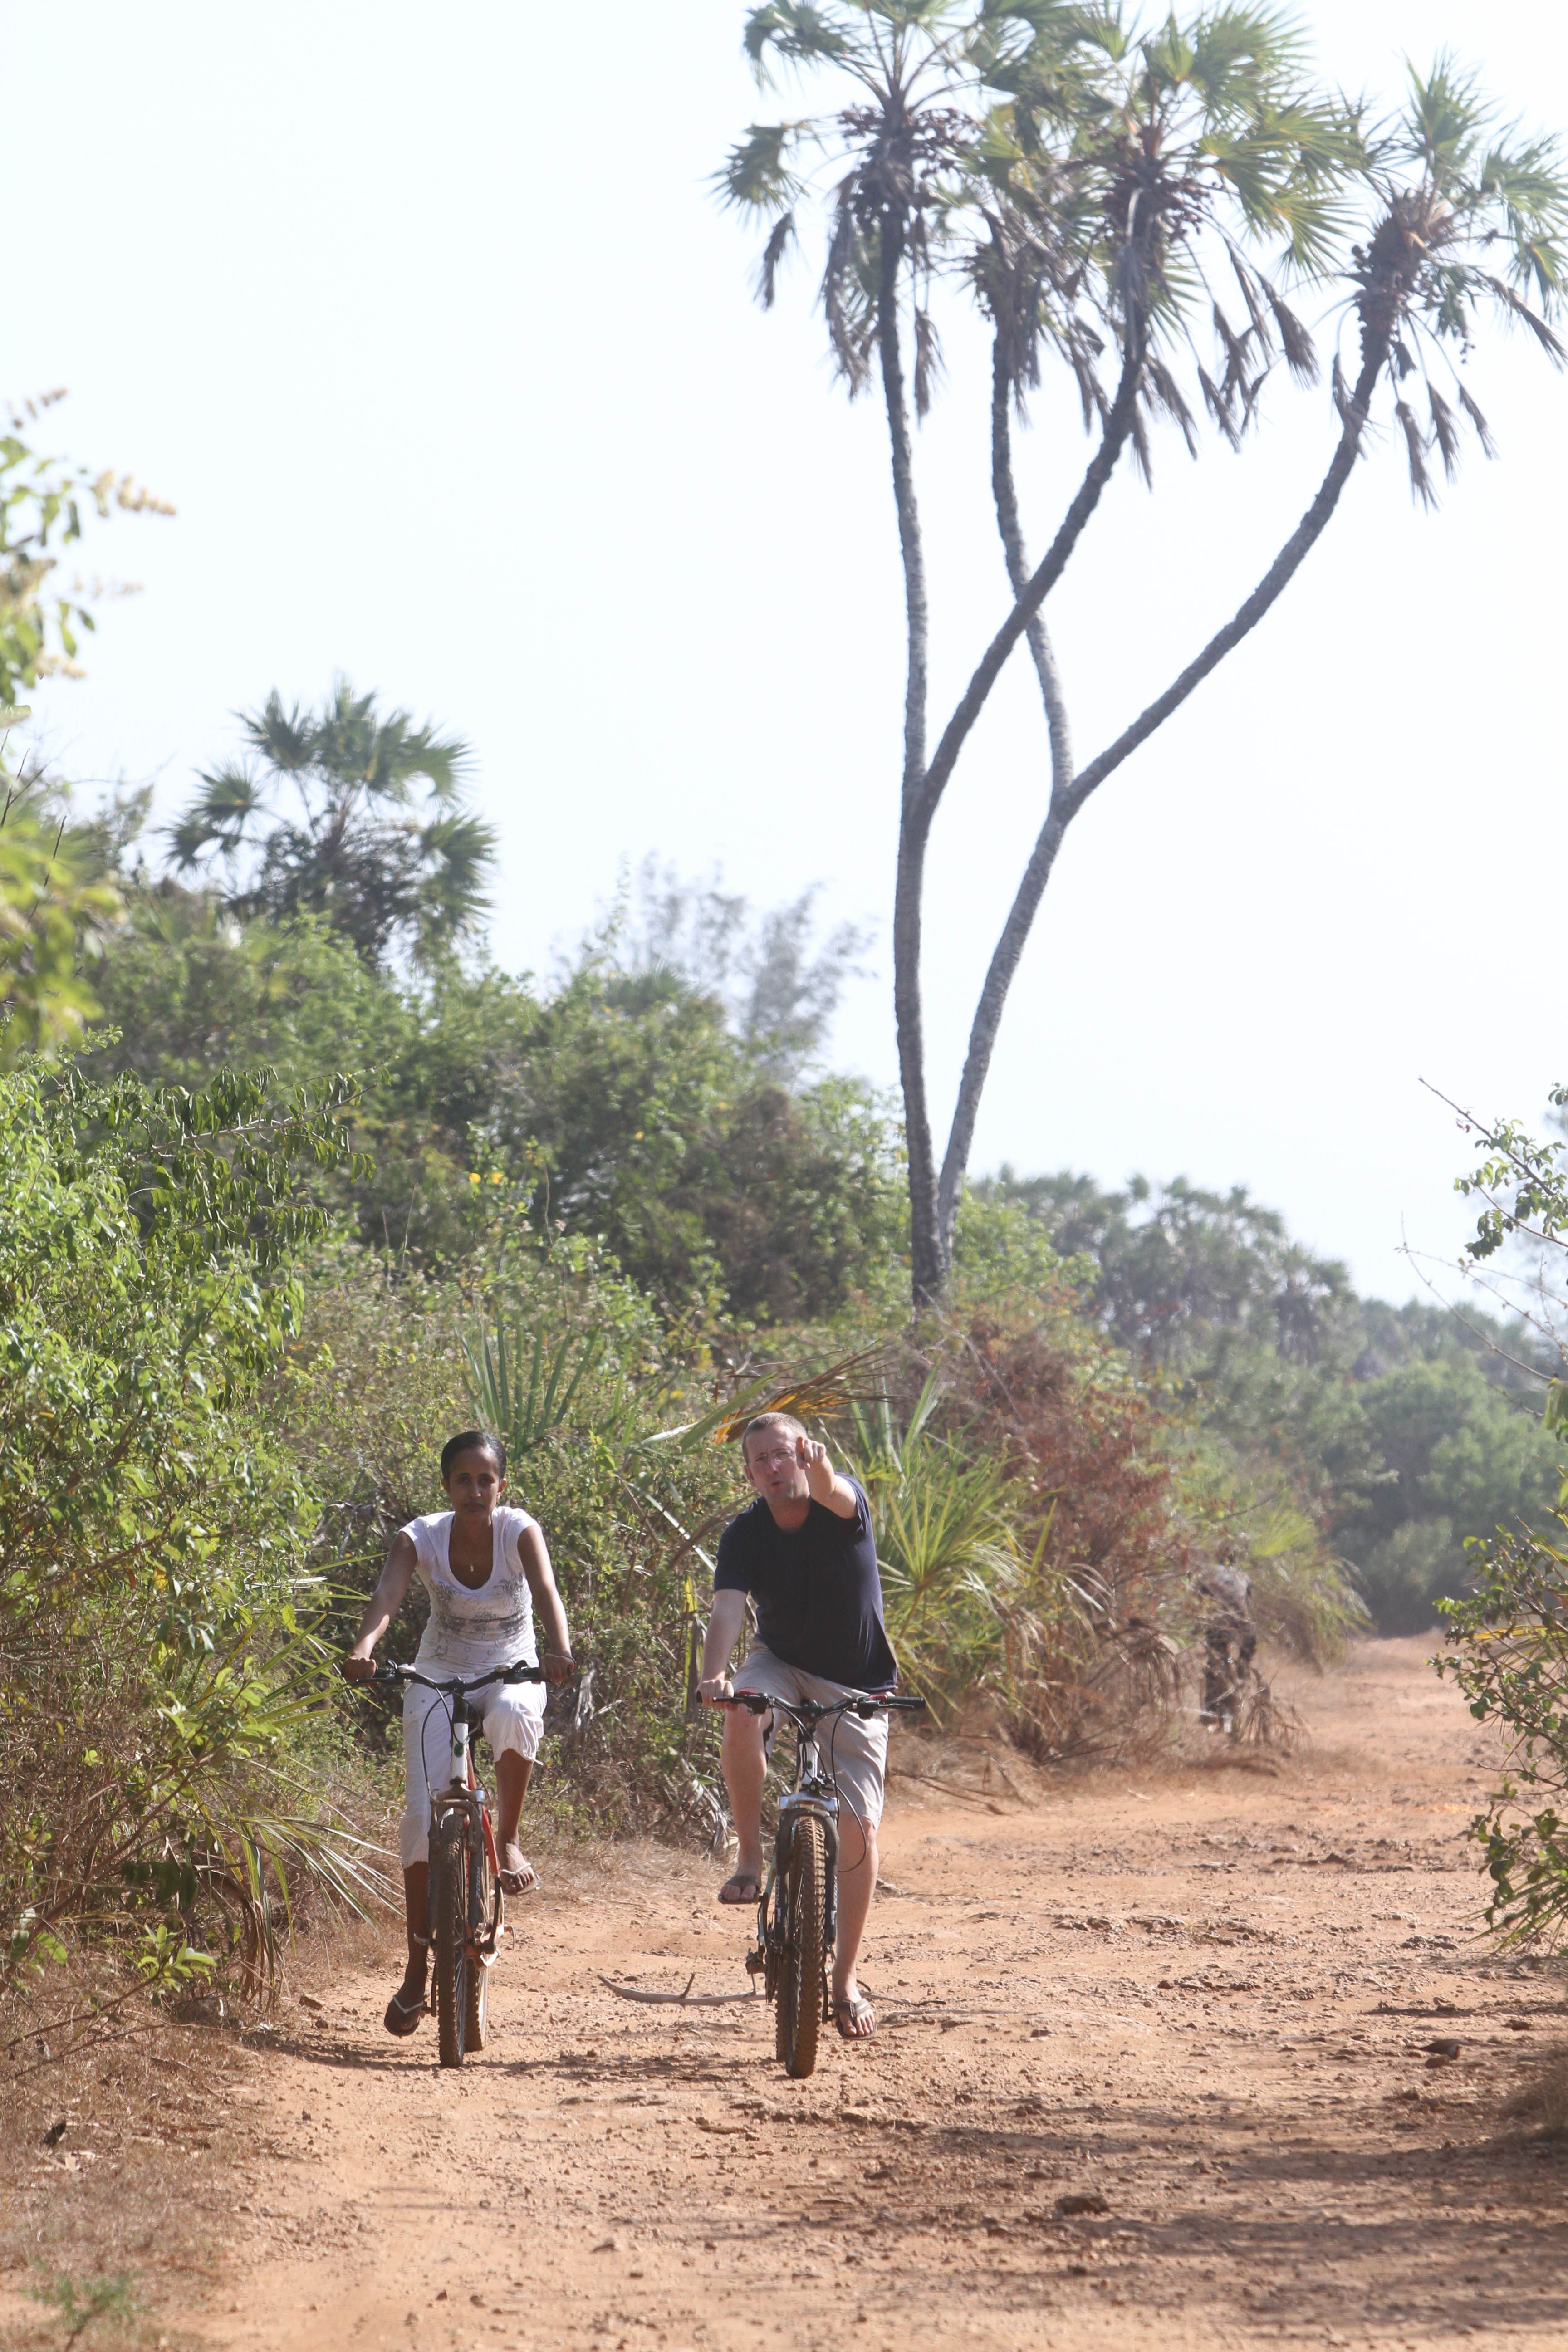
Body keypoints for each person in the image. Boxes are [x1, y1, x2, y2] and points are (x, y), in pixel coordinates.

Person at [342, 1428, 574, 2038]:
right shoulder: (421, 1537)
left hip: (511, 1665)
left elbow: (546, 1588)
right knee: (421, 1822)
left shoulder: (518, 1531)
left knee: (514, 1714)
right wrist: (366, 1647)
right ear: (447, 1486)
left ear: (502, 1485)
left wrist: (559, 1649)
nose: (475, 1490)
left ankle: (511, 1839)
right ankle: (418, 1968)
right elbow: (389, 1593)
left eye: (486, 1479)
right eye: (463, 1480)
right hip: (438, 1668)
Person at [698, 1412, 897, 2043]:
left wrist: (821, 1462)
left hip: (855, 1682)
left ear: (802, 1455)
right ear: (750, 1472)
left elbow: (835, 1485)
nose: (774, 1468)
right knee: (742, 1712)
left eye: (784, 1455)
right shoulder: (745, 1534)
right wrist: (716, 1674)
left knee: (859, 1833)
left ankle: (844, 1981)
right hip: (779, 1663)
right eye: (761, 1460)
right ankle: (751, 1857)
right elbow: (729, 1608)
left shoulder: (844, 1507)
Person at [1196, 1545, 1256, 1731]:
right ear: (1234, 1561)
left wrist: (1198, 1626)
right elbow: (1249, 1605)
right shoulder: (1243, 1575)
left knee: (1215, 1661)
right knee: (1243, 1662)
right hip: (1245, 1625)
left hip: (1219, 1622)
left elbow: (1200, 1602)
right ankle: (1241, 1679)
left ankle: (1210, 1710)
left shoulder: (1210, 1574)